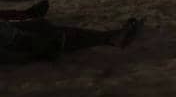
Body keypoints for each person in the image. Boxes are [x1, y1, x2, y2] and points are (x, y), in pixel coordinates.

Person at [1, 15, 143, 64]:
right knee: (61, 37)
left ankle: (110, 37)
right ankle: (110, 38)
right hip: (13, 41)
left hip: (9, 32)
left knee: (41, 24)